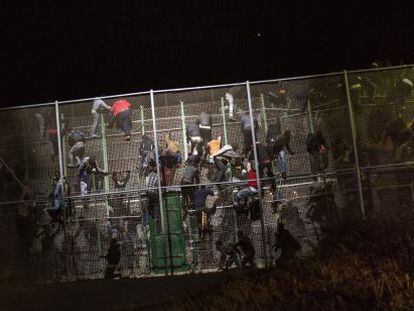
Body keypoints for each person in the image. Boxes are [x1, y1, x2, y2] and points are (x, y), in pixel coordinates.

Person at [180, 154, 201, 220]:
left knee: (184, 196)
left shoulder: (187, 167)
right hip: (188, 183)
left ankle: (183, 209)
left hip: (182, 182)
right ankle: (192, 208)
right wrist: (197, 186)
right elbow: (197, 179)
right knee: (192, 196)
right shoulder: (195, 169)